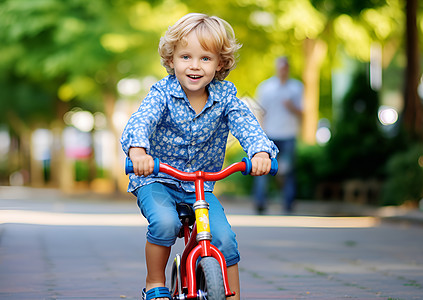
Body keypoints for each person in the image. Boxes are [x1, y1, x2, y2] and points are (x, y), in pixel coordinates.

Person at [120, 13, 278, 300]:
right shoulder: (162, 94)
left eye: (205, 58)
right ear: (171, 60)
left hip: (199, 187)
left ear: (220, 63)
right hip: (157, 178)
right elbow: (141, 121)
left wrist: (260, 152)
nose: (194, 66)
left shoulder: (226, 96)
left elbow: (246, 123)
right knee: (165, 223)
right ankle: (155, 281)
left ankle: (232, 296)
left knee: (226, 239)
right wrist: (138, 152)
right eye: (185, 57)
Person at [253, 56, 304, 214]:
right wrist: (260, 135)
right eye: (280, 67)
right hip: (269, 136)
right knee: (262, 170)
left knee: (288, 171)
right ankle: (260, 202)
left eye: (285, 68)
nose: (282, 71)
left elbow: (303, 112)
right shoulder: (266, 87)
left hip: (288, 135)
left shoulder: (296, 88)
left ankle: (288, 203)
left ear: (288, 69)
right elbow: (259, 112)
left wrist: (291, 106)